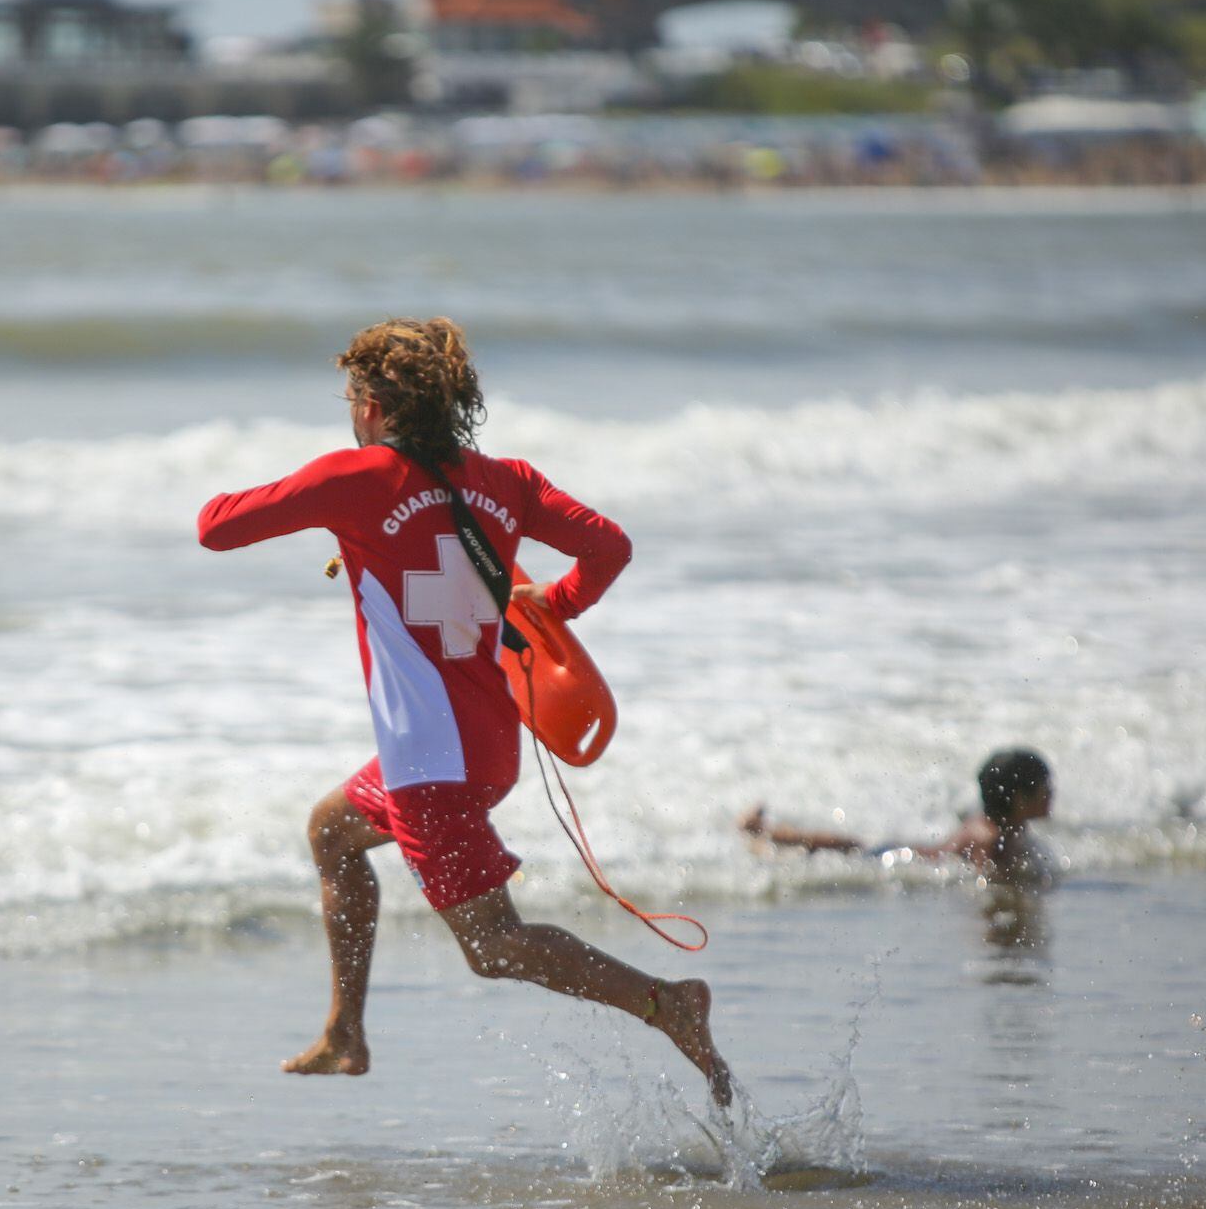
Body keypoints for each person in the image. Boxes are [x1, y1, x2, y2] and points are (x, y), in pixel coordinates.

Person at [197, 317, 731, 1106]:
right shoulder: (507, 481)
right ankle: (345, 1031)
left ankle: (668, 1004)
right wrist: (555, 603)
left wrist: (326, 495)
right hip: (487, 745)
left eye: (352, 399)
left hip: (431, 763)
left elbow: (215, 526)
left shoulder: (356, 479)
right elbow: (608, 547)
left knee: (495, 945)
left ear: (374, 407)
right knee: (332, 832)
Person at [740, 748, 1056, 885]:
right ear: (1019, 797)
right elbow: (984, 879)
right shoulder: (993, 838)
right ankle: (761, 840)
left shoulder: (992, 823)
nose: (1052, 794)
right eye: (1045, 788)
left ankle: (763, 833)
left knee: (850, 845)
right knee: (848, 849)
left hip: (906, 852)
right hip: (903, 860)